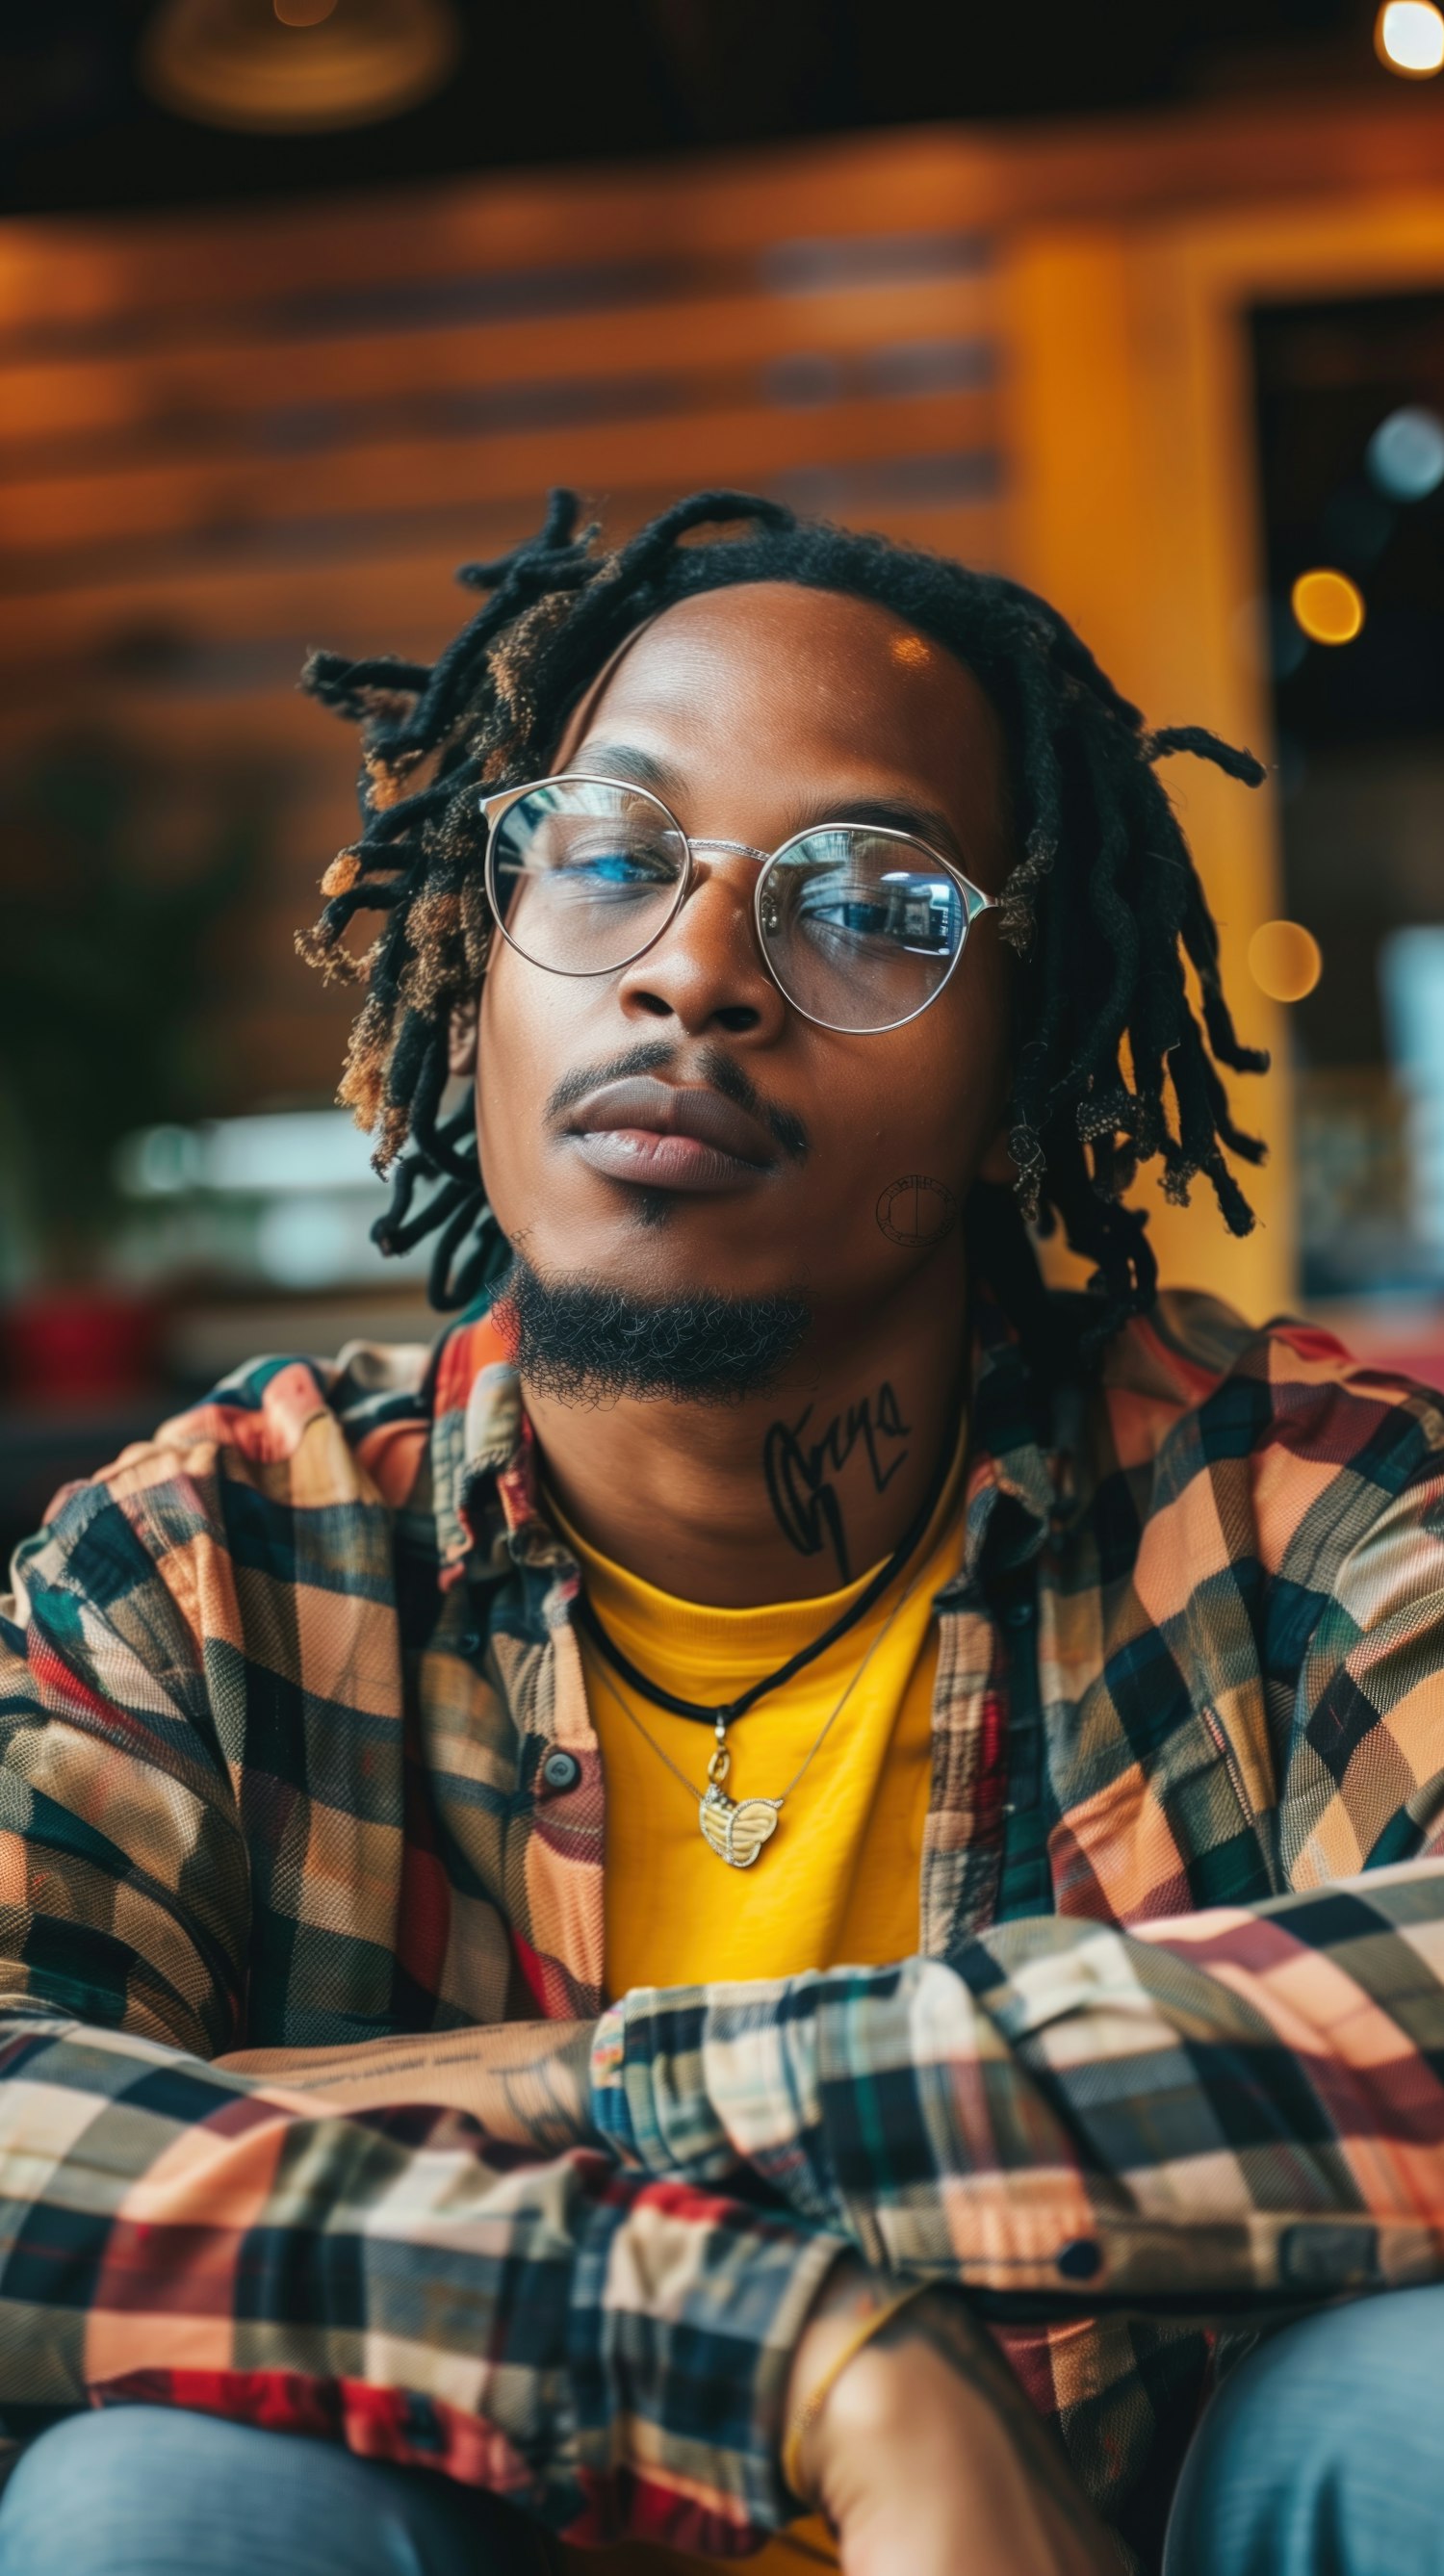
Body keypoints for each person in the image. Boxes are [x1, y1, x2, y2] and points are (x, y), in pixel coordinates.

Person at [1, 489, 1442, 2576]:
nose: (691, 970)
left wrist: (600, 2092)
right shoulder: (221, 1563)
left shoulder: (1291, 1507)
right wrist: (799, 2352)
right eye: (604, 856)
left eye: (866, 905)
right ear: (476, 961)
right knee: (168, 2498)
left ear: (1022, 1060)